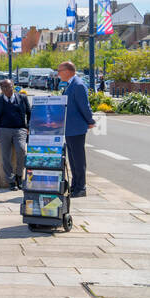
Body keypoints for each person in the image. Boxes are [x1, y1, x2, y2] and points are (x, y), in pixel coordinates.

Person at [59, 60, 96, 197]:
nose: (58, 74)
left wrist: (90, 120)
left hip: (76, 128)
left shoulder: (78, 85)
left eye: (60, 71)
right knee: (73, 160)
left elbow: (84, 106)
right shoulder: (70, 84)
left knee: (78, 160)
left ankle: (81, 187)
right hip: (70, 128)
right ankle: (75, 186)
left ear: (68, 71)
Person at [0, 78, 31, 189]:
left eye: (9, 86)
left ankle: (19, 176)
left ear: (13, 86)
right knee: (6, 155)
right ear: (1, 89)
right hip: (3, 130)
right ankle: (10, 180)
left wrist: (28, 127)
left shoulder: (22, 98)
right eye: (4, 87)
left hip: (20, 129)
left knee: (21, 150)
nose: (7, 89)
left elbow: (29, 113)